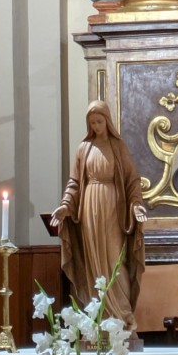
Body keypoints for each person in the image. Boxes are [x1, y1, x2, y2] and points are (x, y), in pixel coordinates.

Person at [50, 100, 146, 332]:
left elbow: (132, 180)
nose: (96, 125)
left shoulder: (117, 146)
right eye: (92, 122)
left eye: (99, 121)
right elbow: (74, 183)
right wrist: (65, 206)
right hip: (89, 208)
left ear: (107, 121)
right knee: (94, 262)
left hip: (114, 206)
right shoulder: (84, 148)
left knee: (115, 259)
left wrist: (135, 205)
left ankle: (122, 315)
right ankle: (98, 317)